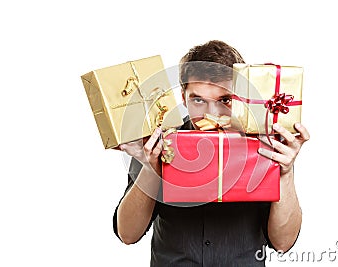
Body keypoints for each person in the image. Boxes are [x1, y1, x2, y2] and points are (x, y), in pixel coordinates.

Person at [114, 40, 310, 266]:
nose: (211, 113)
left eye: (224, 100)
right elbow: (128, 234)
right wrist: (151, 169)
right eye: (198, 100)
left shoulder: (267, 146)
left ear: (241, 97)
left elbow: (283, 243)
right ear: (183, 99)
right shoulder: (159, 142)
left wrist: (285, 173)